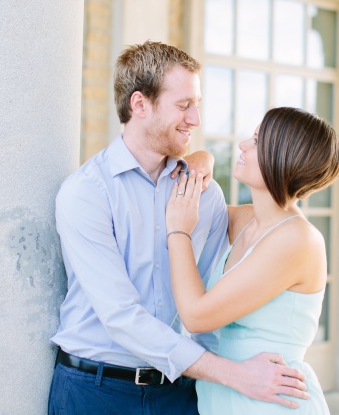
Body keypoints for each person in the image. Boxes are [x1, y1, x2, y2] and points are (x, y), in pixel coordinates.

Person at [48, 41, 309, 414]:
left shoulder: (205, 193)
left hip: (182, 394)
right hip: (95, 391)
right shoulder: (87, 193)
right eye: (184, 105)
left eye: (197, 105)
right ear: (140, 105)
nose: (196, 120)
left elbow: (208, 303)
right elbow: (121, 317)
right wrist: (233, 375)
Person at [166, 106, 339, 413]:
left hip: (271, 402)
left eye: (257, 140)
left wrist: (178, 232)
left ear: (282, 157)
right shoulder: (248, 221)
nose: (242, 145)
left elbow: (196, 316)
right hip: (228, 396)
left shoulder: (297, 240)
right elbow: (204, 205)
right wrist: (202, 159)